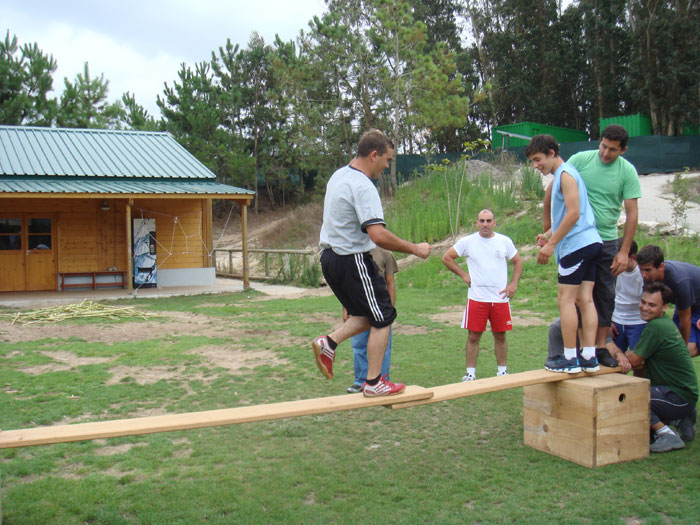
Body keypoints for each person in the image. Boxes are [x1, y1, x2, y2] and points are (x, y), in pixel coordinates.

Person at [312, 129, 431, 397]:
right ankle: (374, 382)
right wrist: (415, 249)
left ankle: (329, 343)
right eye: (387, 160)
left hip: (329, 258)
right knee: (384, 315)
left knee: (367, 315)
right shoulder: (364, 186)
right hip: (352, 258)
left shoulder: (338, 176)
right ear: (374, 155)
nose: (387, 166)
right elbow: (377, 235)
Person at [543, 125, 642, 352]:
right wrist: (548, 229)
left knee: (605, 293)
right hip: (579, 238)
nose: (605, 153)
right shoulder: (581, 160)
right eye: (603, 146)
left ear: (623, 150)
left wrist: (623, 251)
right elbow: (554, 189)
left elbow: (632, 214)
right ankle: (581, 348)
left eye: (612, 150)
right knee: (578, 295)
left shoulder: (627, 171)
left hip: (606, 239)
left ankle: (601, 347)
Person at [528, 134, 602, 373]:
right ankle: (589, 356)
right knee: (585, 299)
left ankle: (570, 358)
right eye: (532, 161)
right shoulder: (568, 174)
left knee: (566, 300)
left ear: (552, 153)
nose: (535, 165)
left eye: (538, 159)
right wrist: (548, 234)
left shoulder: (565, 175)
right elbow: (567, 217)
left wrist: (552, 245)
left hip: (576, 246)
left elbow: (573, 214)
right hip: (591, 242)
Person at [609, 282, 698, 452]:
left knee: (633, 396)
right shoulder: (661, 323)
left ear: (664, 307)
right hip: (682, 394)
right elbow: (639, 361)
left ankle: (667, 435)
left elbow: (634, 361)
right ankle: (681, 418)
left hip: (678, 396)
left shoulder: (656, 327)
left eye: (652, 305)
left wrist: (612, 347)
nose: (645, 308)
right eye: (643, 302)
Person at [442, 209, 523, 381]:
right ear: (477, 223)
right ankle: (470, 374)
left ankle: (502, 372)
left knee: (500, 335)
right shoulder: (468, 242)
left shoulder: (504, 241)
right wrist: (464, 274)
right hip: (477, 298)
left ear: (494, 222)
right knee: (473, 336)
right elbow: (447, 258)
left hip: (500, 298)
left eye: (488, 221)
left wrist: (513, 284)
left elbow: (517, 261)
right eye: (482, 221)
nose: (485, 224)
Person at [345, 246, 398, 393]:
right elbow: (349, 286)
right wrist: (346, 308)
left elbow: (390, 283)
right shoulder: (354, 252)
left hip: (380, 308)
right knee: (358, 345)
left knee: (383, 347)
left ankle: (382, 380)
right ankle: (360, 381)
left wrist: (390, 310)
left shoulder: (386, 253)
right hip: (359, 308)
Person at [636, 244, 700, 357]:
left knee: (685, 350)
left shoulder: (679, 281)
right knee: (670, 346)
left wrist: (682, 351)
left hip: (695, 305)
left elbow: (685, 318)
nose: (643, 275)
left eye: (647, 270)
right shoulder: (650, 277)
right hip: (688, 302)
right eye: (641, 270)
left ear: (661, 266)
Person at [611, 239, 646, 351]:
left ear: (632, 257)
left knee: (638, 357)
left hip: (638, 321)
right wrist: (607, 321)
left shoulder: (643, 273)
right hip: (616, 320)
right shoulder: (612, 270)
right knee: (614, 357)